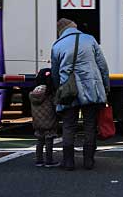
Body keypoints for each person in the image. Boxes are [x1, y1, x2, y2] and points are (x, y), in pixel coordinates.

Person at [51, 18, 110, 171]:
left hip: (69, 90)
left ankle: (68, 161)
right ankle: (88, 160)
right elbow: (102, 65)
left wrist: (60, 89)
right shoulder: (89, 39)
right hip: (91, 88)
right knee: (90, 124)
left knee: (69, 125)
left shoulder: (57, 45)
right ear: (74, 27)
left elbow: (55, 73)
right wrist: (105, 86)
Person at [29, 68, 59, 168]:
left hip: (37, 122)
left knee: (39, 141)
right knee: (49, 141)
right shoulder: (49, 93)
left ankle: (39, 160)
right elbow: (55, 105)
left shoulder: (33, 94)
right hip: (49, 121)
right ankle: (49, 161)